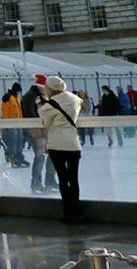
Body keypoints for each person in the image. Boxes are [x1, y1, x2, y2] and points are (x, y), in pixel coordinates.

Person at [39, 76, 84, 223]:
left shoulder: (49, 105)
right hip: (73, 143)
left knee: (63, 179)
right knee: (74, 178)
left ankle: (68, 212)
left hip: (56, 144)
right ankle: (77, 210)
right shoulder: (75, 99)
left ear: (49, 89)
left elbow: (46, 124)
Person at [21, 74, 56, 192]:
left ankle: (49, 181)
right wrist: (37, 131)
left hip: (44, 131)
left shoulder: (41, 96)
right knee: (40, 157)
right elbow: (30, 115)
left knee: (51, 155)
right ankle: (36, 183)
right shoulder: (30, 96)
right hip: (36, 132)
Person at [0, 83, 26, 166]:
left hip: (18, 124)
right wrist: (6, 124)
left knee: (19, 142)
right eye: (18, 91)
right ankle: (12, 158)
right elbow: (5, 112)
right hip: (11, 125)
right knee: (12, 143)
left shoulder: (15, 98)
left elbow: (19, 112)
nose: (19, 93)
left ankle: (19, 157)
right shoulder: (8, 98)